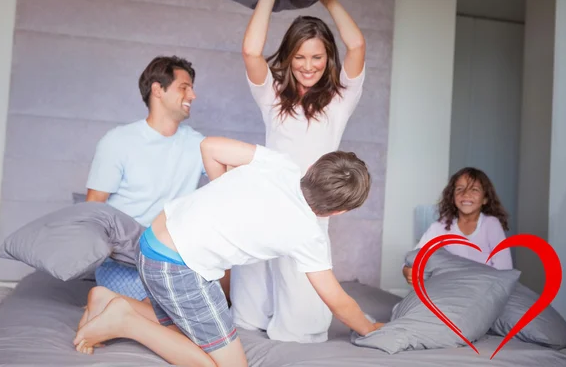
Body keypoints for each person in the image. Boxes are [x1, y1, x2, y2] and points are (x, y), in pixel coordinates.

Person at [73, 136, 383, 367]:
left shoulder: (282, 164)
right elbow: (338, 302)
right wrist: (369, 328)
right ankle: (123, 320)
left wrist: (223, 191)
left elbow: (209, 146)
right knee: (229, 366)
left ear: (313, 167)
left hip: (153, 240)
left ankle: (107, 299)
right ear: (339, 212)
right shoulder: (308, 235)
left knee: (185, 326)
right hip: (176, 266)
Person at [231, 0, 367, 343]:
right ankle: (253, 320)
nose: (308, 66)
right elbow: (250, 51)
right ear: (289, 58)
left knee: (304, 314)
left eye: (317, 57)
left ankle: (295, 327)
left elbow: (357, 46)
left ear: (328, 59)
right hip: (266, 198)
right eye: (300, 57)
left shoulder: (341, 100)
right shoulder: (273, 95)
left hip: (310, 207)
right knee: (252, 297)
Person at [85, 55, 206, 301]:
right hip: (124, 259)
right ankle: (108, 308)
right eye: (184, 88)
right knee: (157, 316)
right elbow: (93, 207)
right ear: (157, 90)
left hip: (171, 258)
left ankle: (113, 312)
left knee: (188, 322)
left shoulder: (198, 144)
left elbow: (228, 183)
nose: (192, 96)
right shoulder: (118, 141)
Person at [402, 167, 513, 285]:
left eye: (474, 189)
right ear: (452, 197)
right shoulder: (440, 227)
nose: (466, 194)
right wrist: (407, 271)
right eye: (460, 189)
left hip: (483, 290)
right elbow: (413, 257)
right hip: (449, 290)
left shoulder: (491, 225)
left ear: (485, 198)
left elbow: (504, 270)